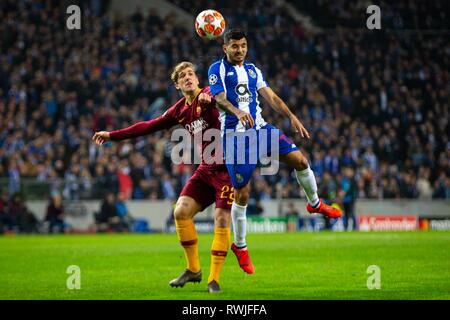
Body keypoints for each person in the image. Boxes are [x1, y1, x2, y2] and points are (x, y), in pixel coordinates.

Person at [92, 61, 240, 293]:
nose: (188, 78)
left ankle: (214, 279)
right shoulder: (179, 110)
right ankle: (193, 269)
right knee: (180, 211)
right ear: (177, 85)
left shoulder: (211, 93)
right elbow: (147, 126)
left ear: (198, 79)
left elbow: (229, 103)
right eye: (183, 76)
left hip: (228, 170)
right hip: (206, 169)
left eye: (191, 74)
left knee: (221, 220)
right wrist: (112, 135)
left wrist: (212, 100)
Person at [207, 29, 342, 261]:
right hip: (235, 138)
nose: (240, 50)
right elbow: (219, 98)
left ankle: (315, 204)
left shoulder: (252, 70)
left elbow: (271, 97)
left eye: (243, 45)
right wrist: (238, 111)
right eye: (235, 46)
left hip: (261, 130)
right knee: (242, 194)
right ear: (225, 48)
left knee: (301, 161)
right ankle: (240, 246)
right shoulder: (216, 69)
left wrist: (291, 116)